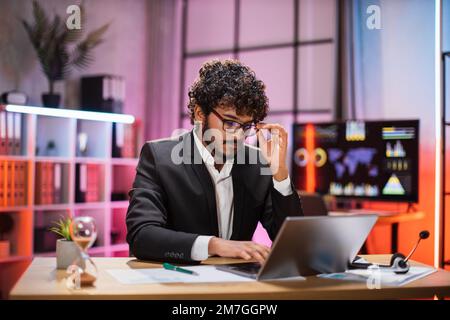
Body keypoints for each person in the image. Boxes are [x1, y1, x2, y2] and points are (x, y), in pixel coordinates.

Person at [126, 59, 303, 264]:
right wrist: (214, 244)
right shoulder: (159, 156)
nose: (238, 135)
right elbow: (142, 236)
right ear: (200, 113)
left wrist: (280, 174)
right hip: (177, 284)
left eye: (246, 126)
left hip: (237, 287)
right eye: (229, 122)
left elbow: (293, 243)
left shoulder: (257, 162)